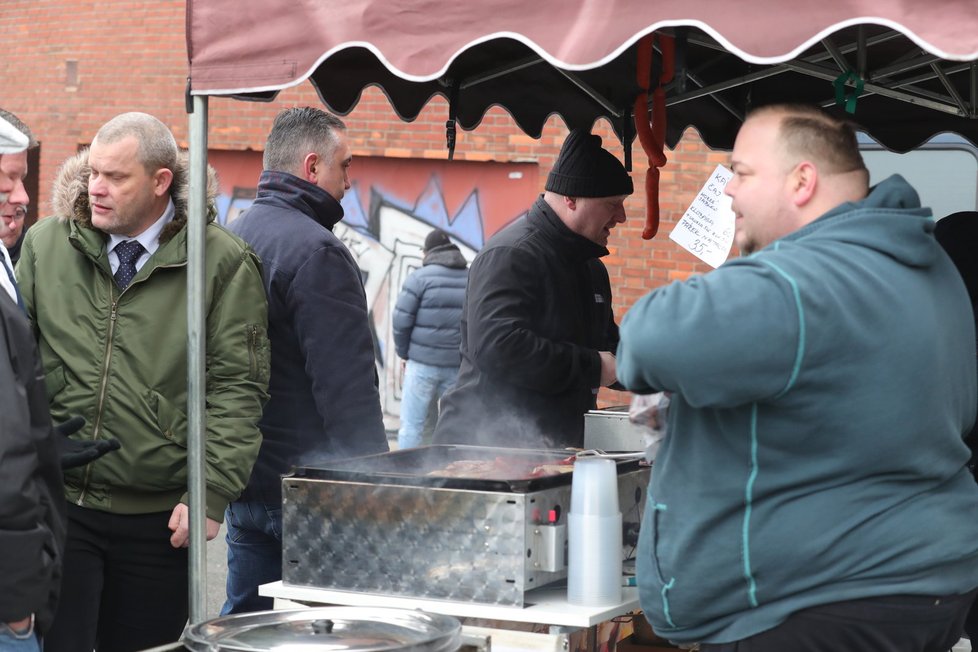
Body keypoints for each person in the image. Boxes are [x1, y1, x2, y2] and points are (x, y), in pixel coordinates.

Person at [615, 103, 978, 651]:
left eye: (741, 173)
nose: (728, 193)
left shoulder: (801, 277)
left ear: (802, 181)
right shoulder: (928, 266)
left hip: (816, 605)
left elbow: (645, 339)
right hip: (922, 583)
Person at [17, 112, 270, 651]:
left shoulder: (220, 261)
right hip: (62, 506)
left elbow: (237, 388)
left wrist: (212, 491)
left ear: (161, 182)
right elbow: (13, 369)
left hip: (159, 519)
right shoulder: (46, 244)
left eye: (116, 177)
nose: (97, 189)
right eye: (92, 174)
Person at [224, 106, 389, 614]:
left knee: (246, 631)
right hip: (305, 488)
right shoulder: (318, 252)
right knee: (326, 630)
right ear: (313, 167)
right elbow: (346, 388)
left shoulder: (235, 233)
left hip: (241, 478)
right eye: (345, 166)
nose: (349, 181)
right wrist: (377, 484)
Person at [432, 128, 630, 449]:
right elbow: (499, 347)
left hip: (554, 446)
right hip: (487, 446)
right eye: (612, 204)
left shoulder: (591, 267)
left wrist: (657, 369)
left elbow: (605, 343)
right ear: (571, 198)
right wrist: (594, 367)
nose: (621, 217)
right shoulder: (512, 254)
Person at [392, 228, 468, 449]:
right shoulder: (470, 277)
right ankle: (449, 475)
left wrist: (403, 353)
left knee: (412, 427)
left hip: (421, 366)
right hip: (456, 367)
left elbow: (401, 321)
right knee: (453, 428)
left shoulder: (419, 278)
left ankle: (405, 477)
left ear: (427, 252)